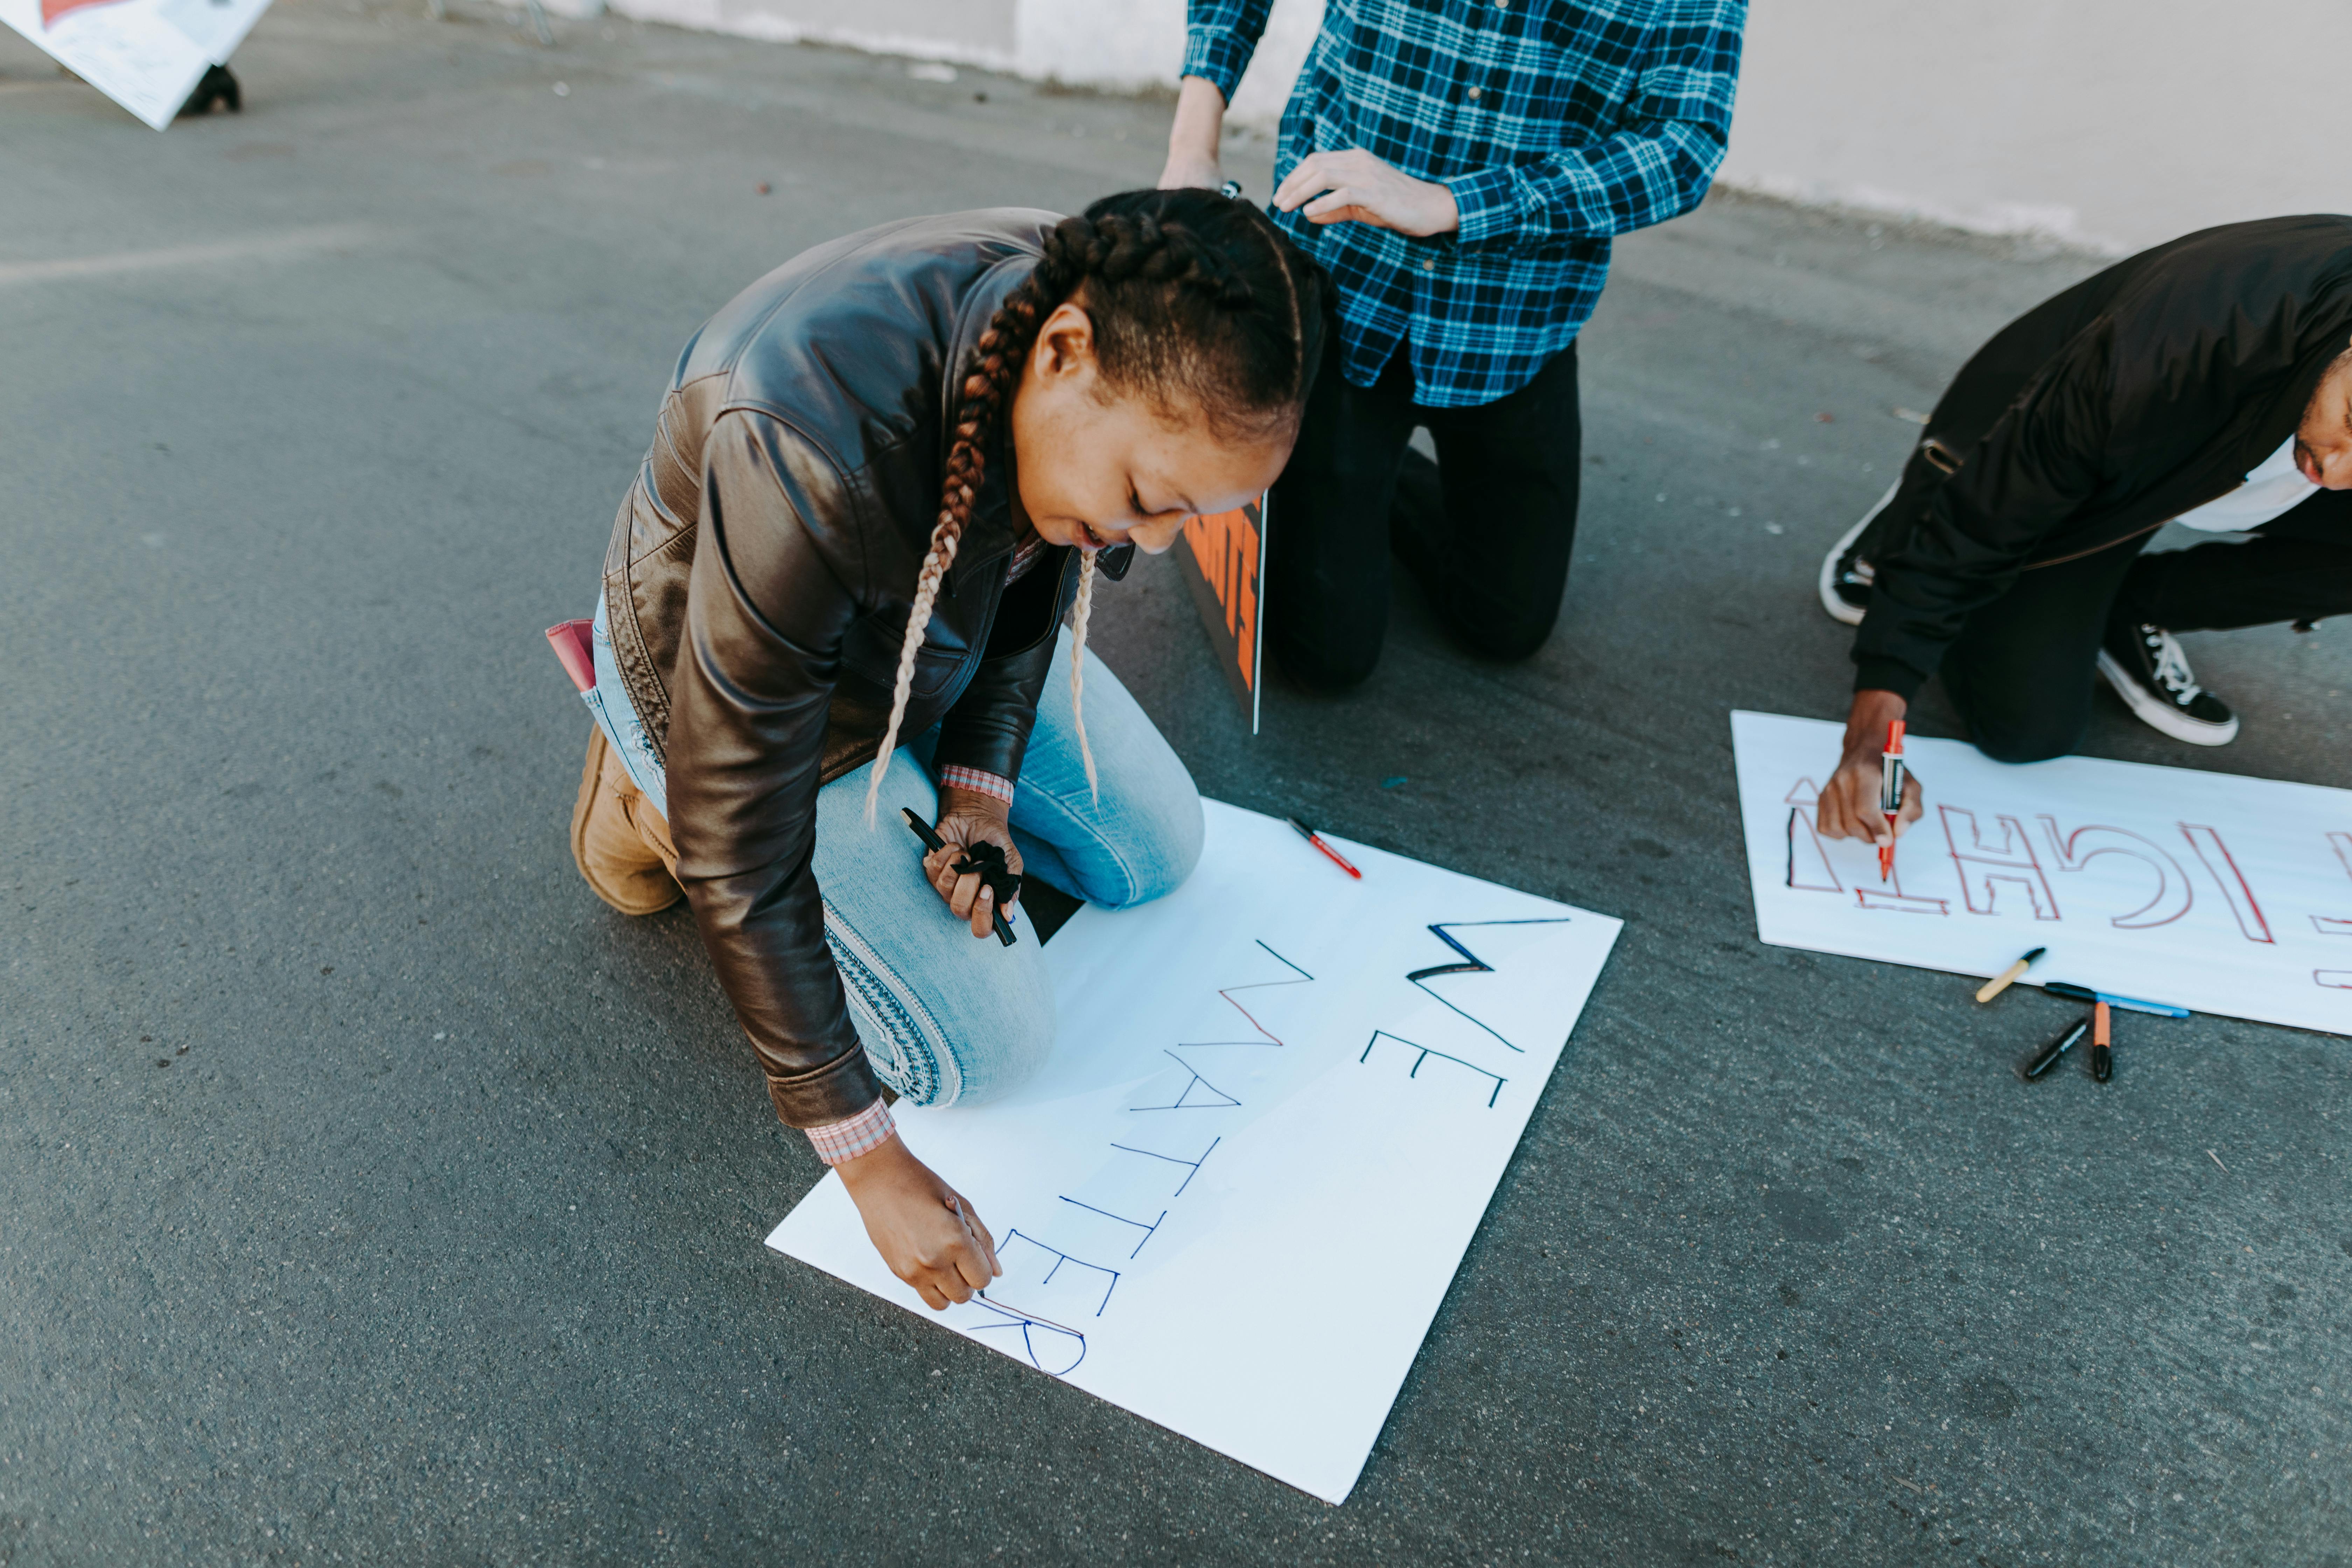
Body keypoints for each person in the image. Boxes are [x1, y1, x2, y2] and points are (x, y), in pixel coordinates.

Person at [566, 191, 1326, 1308]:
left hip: (928, 635)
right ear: (1065, 357)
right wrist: (866, 1159)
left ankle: (910, 785)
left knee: (1159, 850)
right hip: (740, 703)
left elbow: (1031, 574)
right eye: (1146, 500)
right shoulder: (807, 445)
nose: (1155, 543)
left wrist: (978, 798)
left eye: (1190, 516)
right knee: (985, 1054)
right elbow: (742, 824)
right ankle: (638, 798)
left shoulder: (1077, 326)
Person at [1160, 0, 1746, 689]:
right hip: (1346, 285)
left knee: (1504, 626)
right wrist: (1192, 148)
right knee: (1322, 661)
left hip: (1517, 322)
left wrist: (1454, 204)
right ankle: (1330, 466)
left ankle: (1361, 476)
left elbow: (1686, 144)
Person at [1812, 214, 2352, 850]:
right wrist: (1871, 733)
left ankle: (2128, 609)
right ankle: (1914, 513)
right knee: (2026, 732)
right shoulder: (2174, 347)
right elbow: (1987, 516)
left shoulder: (2330, 447)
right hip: (2065, 461)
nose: (2339, 473)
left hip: (2218, 461)